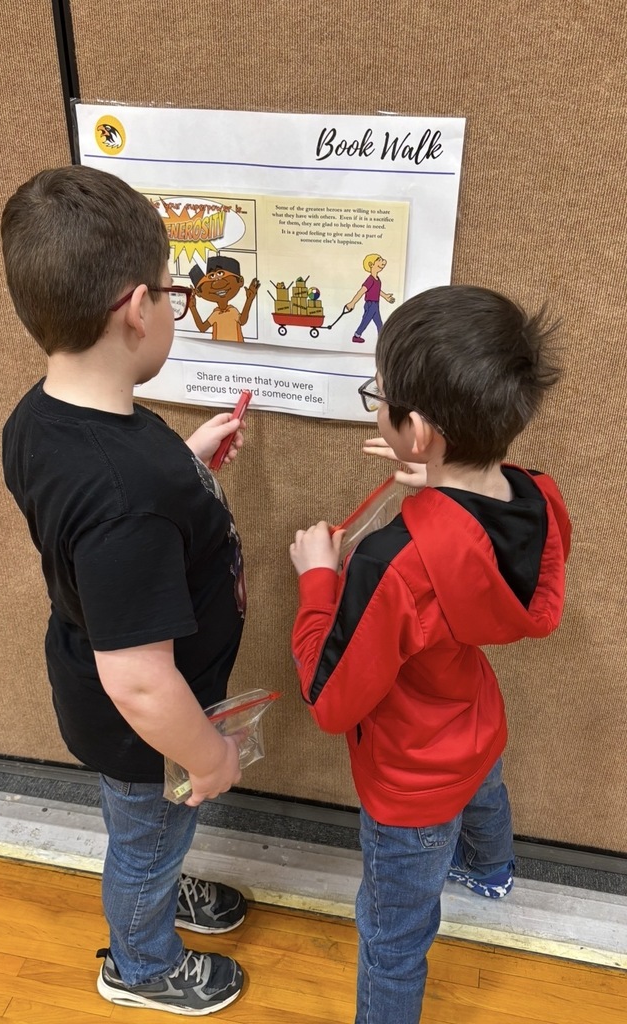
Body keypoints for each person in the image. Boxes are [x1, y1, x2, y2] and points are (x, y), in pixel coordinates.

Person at [0, 165, 250, 1015]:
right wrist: (207, 755)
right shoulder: (127, 497)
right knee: (147, 837)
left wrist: (183, 464)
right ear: (138, 308)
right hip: (149, 728)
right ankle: (140, 964)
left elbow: (102, 509)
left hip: (124, 702)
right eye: (174, 294)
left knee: (153, 830)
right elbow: (140, 682)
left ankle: (156, 886)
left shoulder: (42, 417)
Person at [289, 285, 571, 1024]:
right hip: (473, 725)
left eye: (379, 397)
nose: (376, 406)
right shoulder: (537, 497)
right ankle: (493, 871)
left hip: (410, 782)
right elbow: (485, 523)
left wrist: (318, 581)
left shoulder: (390, 564)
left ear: (417, 432)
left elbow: (330, 700)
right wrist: (438, 480)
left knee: (393, 938)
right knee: (483, 793)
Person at [189, 255, 260, 342]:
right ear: (198, 292)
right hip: (219, 349)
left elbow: (243, 321)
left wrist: (249, 299)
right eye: (211, 276)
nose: (217, 283)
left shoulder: (232, 311)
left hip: (237, 348)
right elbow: (202, 328)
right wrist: (192, 307)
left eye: (220, 274)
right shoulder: (216, 314)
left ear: (240, 281)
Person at [345, 253, 395, 344]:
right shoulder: (370, 280)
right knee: (366, 321)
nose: (382, 262)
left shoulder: (377, 279)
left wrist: (385, 296)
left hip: (375, 304)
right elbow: (361, 291)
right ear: (371, 265)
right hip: (370, 304)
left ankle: (381, 339)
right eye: (379, 260)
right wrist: (352, 302)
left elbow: (377, 290)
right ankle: (356, 336)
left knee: (379, 323)